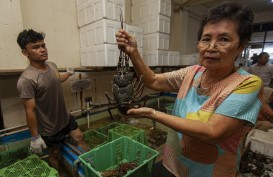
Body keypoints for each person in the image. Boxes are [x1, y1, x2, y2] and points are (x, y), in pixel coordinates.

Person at [116, 2, 263, 177]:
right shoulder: (192, 72)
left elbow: (212, 132)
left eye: (224, 39)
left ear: (241, 46)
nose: (211, 47)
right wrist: (133, 52)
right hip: (173, 163)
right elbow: (154, 80)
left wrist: (153, 114)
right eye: (206, 39)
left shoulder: (247, 83)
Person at [16, 29, 88, 174]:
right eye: (36, 47)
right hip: (49, 129)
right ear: (25, 52)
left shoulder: (52, 65)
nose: (42, 50)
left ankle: (90, 166)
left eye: (43, 45)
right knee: (54, 154)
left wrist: (68, 73)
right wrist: (35, 137)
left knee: (80, 137)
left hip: (65, 118)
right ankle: (59, 174)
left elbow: (57, 78)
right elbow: (30, 111)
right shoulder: (26, 80)